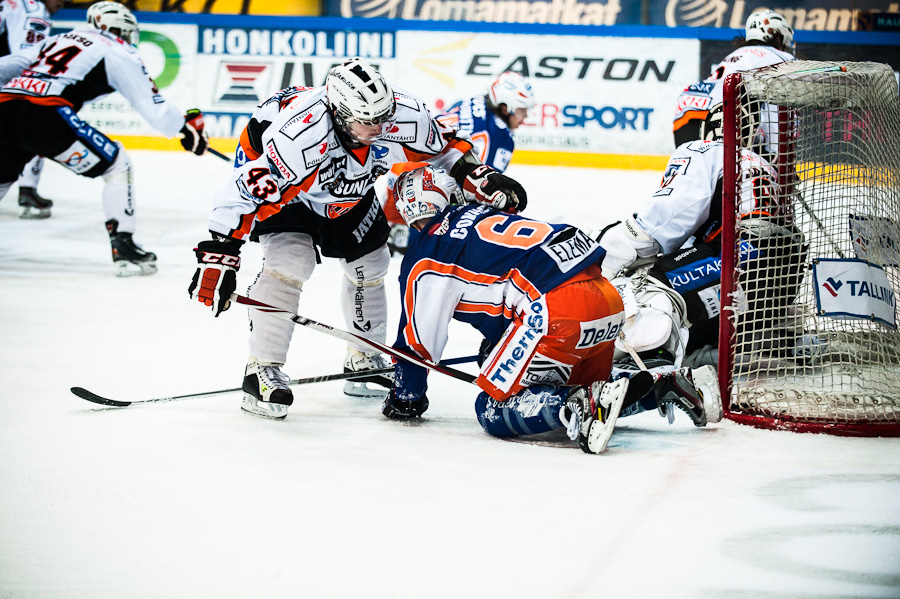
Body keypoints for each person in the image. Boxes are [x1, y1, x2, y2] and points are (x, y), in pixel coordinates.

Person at [187, 57, 528, 420]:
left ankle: (363, 357)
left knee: (372, 264)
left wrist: (478, 175)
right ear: (337, 112)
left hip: (349, 195)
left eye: (383, 117)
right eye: (367, 122)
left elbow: (444, 148)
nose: (380, 128)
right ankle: (261, 369)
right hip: (292, 197)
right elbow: (242, 190)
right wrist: (219, 256)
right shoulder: (299, 134)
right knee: (290, 263)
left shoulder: (399, 113)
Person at [381, 165, 722, 454]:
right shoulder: (486, 214)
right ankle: (663, 385)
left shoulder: (427, 253)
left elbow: (417, 345)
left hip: (557, 312)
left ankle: (580, 403)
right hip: (604, 298)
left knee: (493, 408)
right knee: (591, 390)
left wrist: (406, 398)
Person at [0, 1, 209, 275]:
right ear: (119, 27)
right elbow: (151, 104)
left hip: (4, 106)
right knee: (117, 164)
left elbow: (9, 65)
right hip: (46, 114)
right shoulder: (118, 50)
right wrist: (185, 130)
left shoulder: (59, 38)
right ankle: (125, 249)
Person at [594, 139, 806, 405]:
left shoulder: (705, 150)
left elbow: (654, 231)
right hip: (782, 273)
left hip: (744, 256)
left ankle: (649, 373)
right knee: (680, 297)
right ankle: (730, 349)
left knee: (650, 288)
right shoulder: (758, 162)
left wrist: (601, 262)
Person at [379, 70, 535, 254]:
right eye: (521, 111)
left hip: (402, 169)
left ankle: (394, 229)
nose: (524, 118)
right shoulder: (500, 137)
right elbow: (482, 187)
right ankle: (407, 236)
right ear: (504, 107)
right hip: (424, 183)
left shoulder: (473, 101)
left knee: (387, 230)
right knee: (444, 239)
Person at [672, 9, 795, 150]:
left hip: (686, 112)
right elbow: (777, 112)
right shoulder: (780, 57)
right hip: (720, 122)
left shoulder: (736, 55)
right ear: (778, 37)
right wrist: (776, 155)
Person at [0, 0, 62, 218]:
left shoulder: (11, 3)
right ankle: (28, 188)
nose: (62, 3)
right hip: (5, 80)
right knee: (38, 123)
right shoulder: (34, 9)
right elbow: (29, 57)